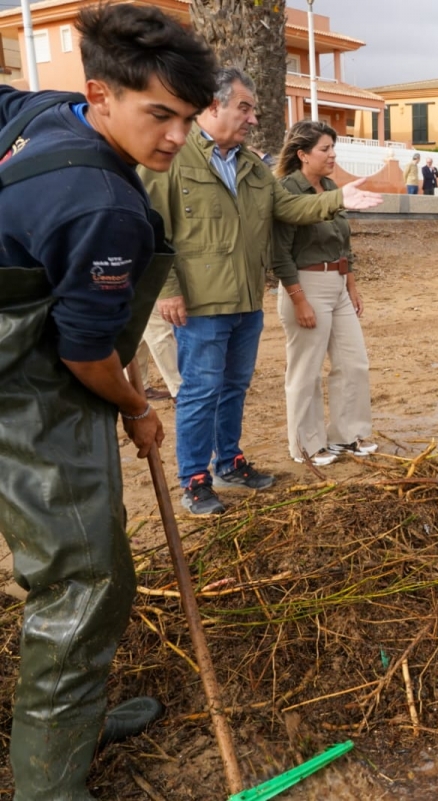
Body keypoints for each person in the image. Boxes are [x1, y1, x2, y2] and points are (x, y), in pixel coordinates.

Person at [0, 5, 217, 798]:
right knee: (83, 580)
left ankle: (71, 717)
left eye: (188, 118)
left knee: (95, 566)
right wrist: (137, 408)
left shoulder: (41, 109)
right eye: (159, 115)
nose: (176, 138)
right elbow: (87, 355)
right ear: (101, 93)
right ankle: (48, 785)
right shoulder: (106, 206)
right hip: (29, 390)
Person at [142, 68, 381, 516]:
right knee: (200, 392)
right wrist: (168, 290)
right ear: (213, 105)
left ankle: (229, 463)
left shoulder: (251, 165)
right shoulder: (172, 158)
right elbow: (153, 229)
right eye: (245, 108)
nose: (253, 118)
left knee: (234, 387)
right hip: (200, 304)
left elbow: (287, 207)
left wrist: (337, 199)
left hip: (247, 301)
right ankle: (194, 479)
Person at [272, 121, 376, 466]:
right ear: (303, 154)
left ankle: (347, 435)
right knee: (306, 369)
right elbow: (279, 253)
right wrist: (298, 299)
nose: (332, 155)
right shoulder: (287, 191)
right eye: (325, 149)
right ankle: (306, 445)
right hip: (306, 284)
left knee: (353, 362)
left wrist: (351, 285)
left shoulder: (331, 187)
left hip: (338, 284)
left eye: (333, 148)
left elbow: (343, 244)